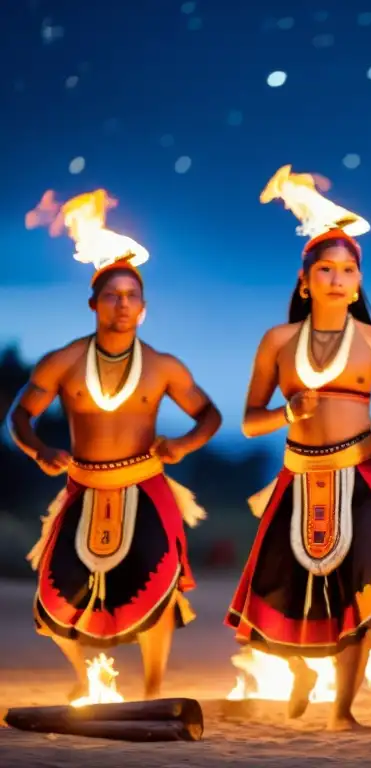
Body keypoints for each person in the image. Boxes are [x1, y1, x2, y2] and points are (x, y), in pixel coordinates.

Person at [225, 165, 371, 729]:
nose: (338, 279)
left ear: (359, 282)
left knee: (365, 591)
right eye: (325, 270)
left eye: (348, 270)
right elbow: (248, 422)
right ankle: (303, 672)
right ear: (304, 280)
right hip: (297, 481)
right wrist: (288, 412)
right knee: (288, 590)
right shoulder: (278, 342)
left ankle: (342, 710)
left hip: (363, 477)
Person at [14, 189, 221, 701]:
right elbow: (20, 414)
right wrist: (40, 450)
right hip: (82, 486)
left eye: (132, 297)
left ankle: (153, 690)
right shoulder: (62, 361)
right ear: (93, 303)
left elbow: (210, 414)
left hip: (146, 486)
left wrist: (186, 444)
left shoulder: (164, 366)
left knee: (159, 584)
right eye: (112, 295)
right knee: (55, 591)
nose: (122, 304)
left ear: (144, 308)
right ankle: (87, 684)